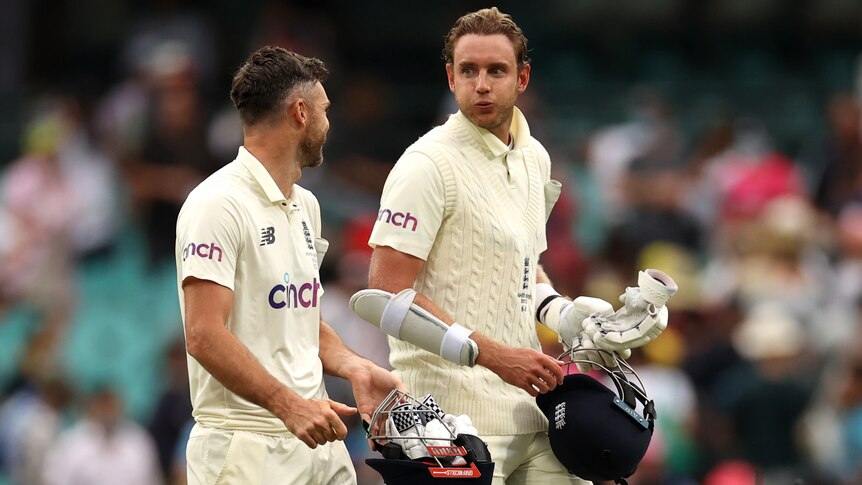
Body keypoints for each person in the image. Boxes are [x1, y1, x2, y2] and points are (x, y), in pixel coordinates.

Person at [361, 8, 667, 484]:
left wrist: (562, 315)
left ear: (522, 77)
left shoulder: (534, 158)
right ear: (450, 77)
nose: (481, 84)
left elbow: (525, 267)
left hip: (532, 410)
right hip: (447, 420)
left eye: (496, 70)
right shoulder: (425, 164)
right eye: (469, 70)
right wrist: (495, 355)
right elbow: (384, 296)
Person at [175, 45, 402, 485]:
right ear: (300, 112)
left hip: (316, 438)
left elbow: (302, 321)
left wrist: (354, 366)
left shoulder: (307, 206)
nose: (328, 122)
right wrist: (288, 405)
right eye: (325, 110)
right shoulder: (215, 204)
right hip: (246, 447)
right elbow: (202, 335)